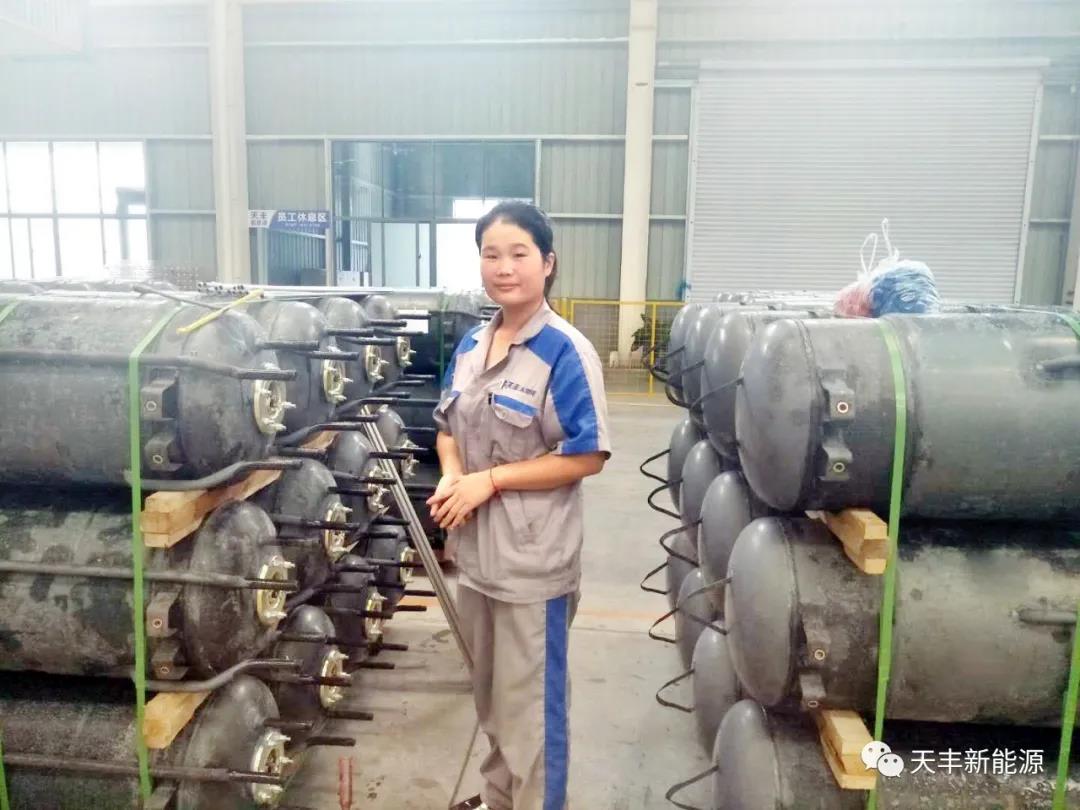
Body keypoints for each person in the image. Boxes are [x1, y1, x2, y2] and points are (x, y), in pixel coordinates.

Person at [427, 201, 611, 810]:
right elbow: (447, 428)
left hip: (533, 564)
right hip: (477, 557)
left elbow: (587, 454)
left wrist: (493, 481)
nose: (503, 268)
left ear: (547, 263)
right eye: (491, 255)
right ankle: (498, 800)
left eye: (518, 254)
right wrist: (455, 475)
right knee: (492, 701)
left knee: (531, 713)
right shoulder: (472, 344)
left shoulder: (565, 351)